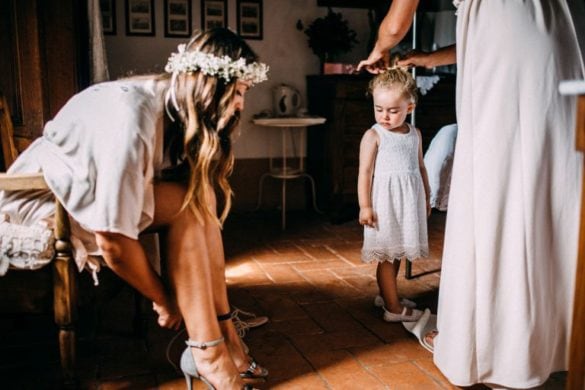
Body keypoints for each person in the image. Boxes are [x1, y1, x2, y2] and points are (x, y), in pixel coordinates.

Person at [0, 28, 270, 390]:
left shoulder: (171, 101)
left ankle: (225, 336)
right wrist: (164, 300)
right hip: (43, 200)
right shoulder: (132, 120)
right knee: (187, 207)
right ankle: (208, 354)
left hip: (88, 189)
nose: (240, 105)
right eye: (237, 93)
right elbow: (111, 241)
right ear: (210, 86)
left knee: (199, 197)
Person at [358, 0, 585, 388]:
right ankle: (559, 341)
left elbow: (397, 22)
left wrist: (380, 49)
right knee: (551, 182)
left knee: (498, 184)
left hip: (503, 63)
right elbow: (493, 32)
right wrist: (427, 58)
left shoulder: (411, 133)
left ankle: (500, 346)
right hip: (558, 49)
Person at [358, 67, 431, 323]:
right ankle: (393, 308)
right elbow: (365, 172)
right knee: (387, 256)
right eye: (379, 109)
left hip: (408, 204)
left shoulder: (415, 134)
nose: (385, 116)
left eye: (392, 110)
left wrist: (426, 198)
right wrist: (365, 206)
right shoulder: (374, 135)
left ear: (409, 107)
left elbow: (421, 167)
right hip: (385, 205)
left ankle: (388, 296)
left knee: (397, 251)